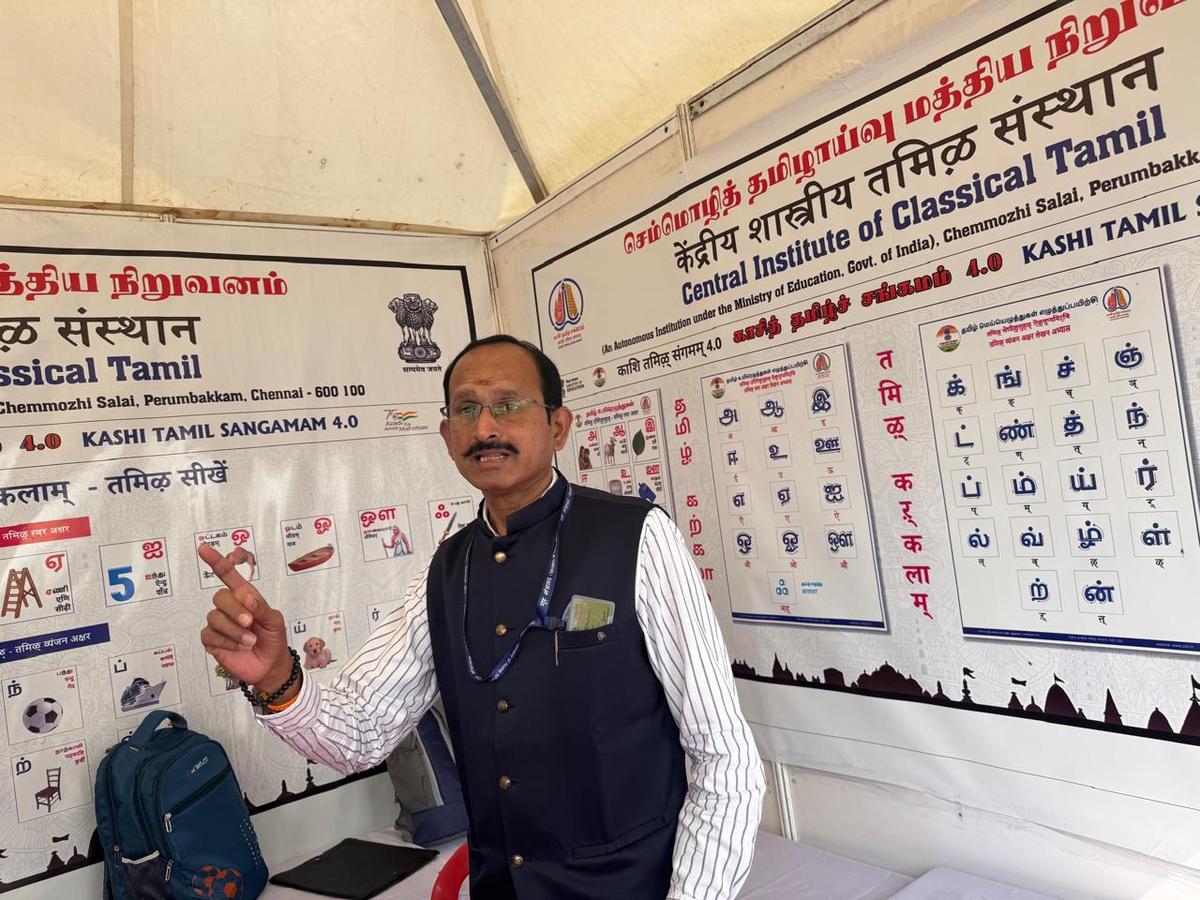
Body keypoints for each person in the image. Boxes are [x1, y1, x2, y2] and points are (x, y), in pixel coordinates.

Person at [198, 335, 763, 899]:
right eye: (467, 409)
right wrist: (276, 680)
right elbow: (361, 733)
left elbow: (724, 758)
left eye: (510, 404)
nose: (486, 427)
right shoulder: (447, 569)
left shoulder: (637, 536)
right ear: (447, 436)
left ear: (558, 426)